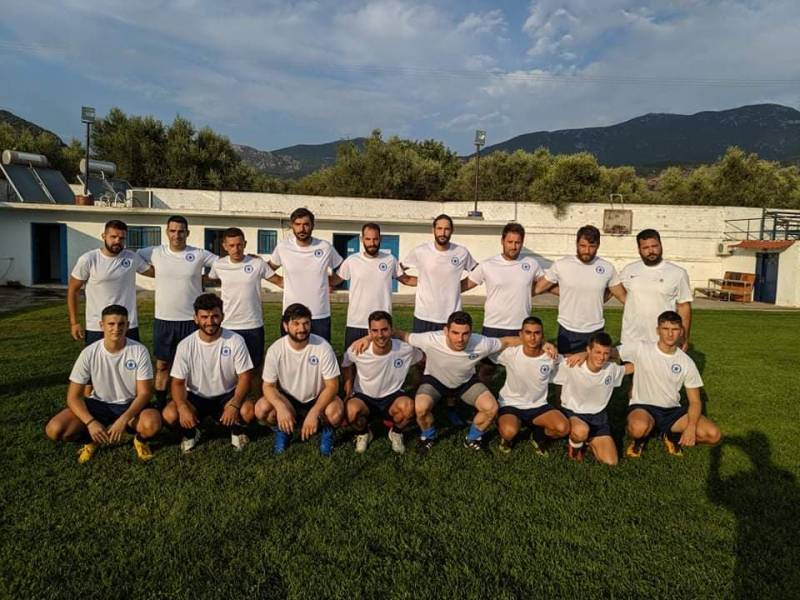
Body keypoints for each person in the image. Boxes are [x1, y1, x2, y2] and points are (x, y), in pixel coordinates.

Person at [385, 311, 537, 454]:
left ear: (471, 332)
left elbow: (507, 341)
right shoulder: (431, 339)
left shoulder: (480, 343)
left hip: (465, 382)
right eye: (455, 333)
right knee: (421, 408)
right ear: (446, 331)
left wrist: (539, 343)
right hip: (435, 381)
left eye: (465, 334)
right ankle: (428, 436)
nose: (460, 339)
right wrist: (373, 338)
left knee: (491, 407)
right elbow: (402, 335)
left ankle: (472, 438)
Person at [45, 304, 161, 463]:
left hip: (129, 404)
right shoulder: (89, 353)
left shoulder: (139, 351)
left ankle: (140, 440)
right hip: (98, 404)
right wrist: (90, 422)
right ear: (102, 325)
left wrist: (123, 419)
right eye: (111, 324)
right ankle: (91, 441)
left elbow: (145, 393)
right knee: (55, 429)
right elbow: (73, 397)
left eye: (121, 324)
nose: (116, 328)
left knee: (152, 423)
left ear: (128, 325)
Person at [137, 215, 217, 408]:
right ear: (167, 232)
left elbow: (223, 263)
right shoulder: (155, 252)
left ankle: (191, 402)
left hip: (191, 321)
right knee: (162, 365)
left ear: (187, 233)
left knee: (192, 365)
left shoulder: (198, 254)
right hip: (164, 320)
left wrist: (204, 278)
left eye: (181, 231)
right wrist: (152, 272)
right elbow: (135, 256)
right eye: (173, 231)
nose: (177, 235)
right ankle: (161, 403)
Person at [620, 310, 721, 458]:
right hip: (643, 407)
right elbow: (610, 353)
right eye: (665, 328)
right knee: (638, 428)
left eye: (675, 329)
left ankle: (671, 436)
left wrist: (691, 427)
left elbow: (695, 401)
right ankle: (639, 440)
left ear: (681, 332)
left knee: (713, 435)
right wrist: (587, 356)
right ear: (658, 330)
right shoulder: (641, 348)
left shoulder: (686, 362)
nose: (670, 333)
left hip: (672, 412)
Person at [162, 293, 254, 453]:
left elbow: (245, 377)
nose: (210, 322)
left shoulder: (235, 340)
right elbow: (177, 383)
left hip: (226, 395)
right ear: (196, 318)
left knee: (248, 410)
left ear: (222, 316)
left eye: (215, 316)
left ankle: (237, 431)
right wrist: (182, 407)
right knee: (170, 414)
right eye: (204, 317)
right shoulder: (185, 345)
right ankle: (191, 432)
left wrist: (234, 404)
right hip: (195, 397)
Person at [254, 303, 343, 456]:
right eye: (296, 323)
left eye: (306, 323)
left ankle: (327, 432)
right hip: (289, 399)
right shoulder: (275, 350)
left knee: (335, 412)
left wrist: (315, 411)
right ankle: (283, 430)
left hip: (317, 397)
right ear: (285, 326)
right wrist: (281, 408)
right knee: (262, 408)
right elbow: (268, 386)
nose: (302, 328)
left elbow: (332, 386)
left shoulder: (323, 347)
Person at [461, 222, 545, 381]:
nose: (513, 246)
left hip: (520, 327)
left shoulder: (531, 264)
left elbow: (546, 284)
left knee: (521, 369)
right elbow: (465, 285)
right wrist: (439, 288)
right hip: (493, 326)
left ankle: (517, 395)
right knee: (487, 369)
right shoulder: (488, 265)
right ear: (502, 241)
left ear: (522, 242)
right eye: (510, 242)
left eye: (517, 242)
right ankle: (481, 394)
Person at [208, 227, 283, 386]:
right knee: (229, 368)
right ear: (224, 246)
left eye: (239, 245)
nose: (236, 249)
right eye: (232, 245)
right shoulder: (218, 265)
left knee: (254, 368)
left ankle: (254, 398)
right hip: (228, 325)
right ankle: (231, 397)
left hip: (253, 325)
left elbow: (279, 281)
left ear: (245, 244)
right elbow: (211, 279)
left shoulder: (257, 263)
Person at [536, 225, 626, 354]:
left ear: (598, 245)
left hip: (595, 329)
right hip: (568, 329)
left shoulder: (607, 268)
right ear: (576, 244)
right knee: (567, 365)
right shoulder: (561, 265)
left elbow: (622, 296)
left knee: (595, 365)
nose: (587, 251)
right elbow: (539, 288)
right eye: (583, 246)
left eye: (592, 246)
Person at [341, 310, 422, 454]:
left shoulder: (405, 349)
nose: (380, 335)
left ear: (391, 330)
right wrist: (348, 390)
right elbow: (346, 364)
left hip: (392, 396)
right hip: (364, 397)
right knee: (350, 411)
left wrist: (421, 387)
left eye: (384, 329)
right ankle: (364, 433)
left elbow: (423, 360)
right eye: (375, 331)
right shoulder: (358, 349)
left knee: (409, 407)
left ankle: (396, 432)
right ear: (369, 332)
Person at [330, 223, 414, 352]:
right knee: (352, 359)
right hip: (356, 323)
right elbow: (335, 280)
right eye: (368, 239)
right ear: (362, 239)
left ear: (380, 239)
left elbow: (407, 280)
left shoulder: (390, 260)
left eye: (375, 239)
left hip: (381, 324)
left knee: (381, 360)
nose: (372, 243)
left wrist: (432, 280)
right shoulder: (352, 261)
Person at [68, 219, 153, 344]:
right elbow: (73, 290)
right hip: (97, 326)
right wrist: (74, 323)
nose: (117, 241)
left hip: (127, 324)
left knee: (130, 356)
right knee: (98, 357)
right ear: (104, 236)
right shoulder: (89, 259)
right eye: (113, 237)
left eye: (122, 238)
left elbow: (155, 272)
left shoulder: (131, 257)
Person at [492, 317, 570, 454]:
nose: (532, 338)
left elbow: (572, 360)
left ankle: (538, 435)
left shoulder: (550, 356)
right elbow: (490, 345)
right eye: (528, 333)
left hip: (538, 405)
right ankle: (507, 434)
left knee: (563, 428)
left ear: (542, 335)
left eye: (537, 333)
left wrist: (584, 354)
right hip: (511, 404)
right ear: (521, 334)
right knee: (509, 432)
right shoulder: (510, 353)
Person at [553, 331, 632, 465]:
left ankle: (589, 440)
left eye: (606, 353)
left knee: (611, 461)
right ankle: (575, 444)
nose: (601, 357)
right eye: (597, 352)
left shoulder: (611, 369)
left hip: (598, 418)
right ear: (588, 350)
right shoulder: (572, 364)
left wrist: (649, 359)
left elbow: (631, 368)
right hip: (573, 414)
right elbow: (547, 357)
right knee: (581, 431)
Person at [267, 208, 343, 342]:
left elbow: (344, 269)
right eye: (298, 224)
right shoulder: (283, 247)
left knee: (321, 353)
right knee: (290, 353)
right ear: (292, 225)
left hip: (319, 315)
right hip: (292, 315)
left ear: (312, 226)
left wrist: (330, 281)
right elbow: (267, 268)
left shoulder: (325, 247)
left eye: (306, 224)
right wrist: (279, 281)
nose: (302, 229)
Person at [401, 214, 477, 333]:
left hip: (451, 318)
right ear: (433, 230)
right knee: (420, 346)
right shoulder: (420, 251)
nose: (443, 233)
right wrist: (417, 281)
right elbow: (397, 269)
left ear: (452, 231)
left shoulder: (461, 252)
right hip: (423, 316)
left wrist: (458, 287)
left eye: (446, 229)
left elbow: (479, 272)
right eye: (439, 228)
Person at [619, 229, 693, 349]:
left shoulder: (678, 273)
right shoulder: (629, 270)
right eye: (646, 248)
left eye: (654, 246)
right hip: (631, 339)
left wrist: (683, 336)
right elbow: (616, 290)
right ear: (639, 249)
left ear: (661, 245)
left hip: (662, 340)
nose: (651, 251)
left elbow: (684, 306)